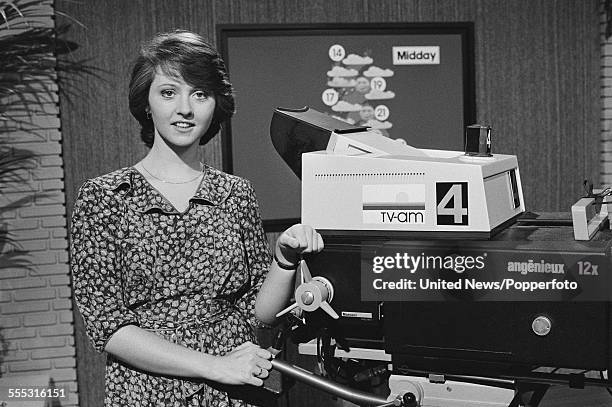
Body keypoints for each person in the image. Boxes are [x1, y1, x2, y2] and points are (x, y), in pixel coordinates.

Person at [70, 30, 323, 406]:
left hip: (235, 391)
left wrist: (283, 260)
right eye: (169, 92)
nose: (185, 108)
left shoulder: (235, 194)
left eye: (199, 94)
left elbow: (258, 313)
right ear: (146, 103)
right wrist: (214, 365)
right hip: (147, 392)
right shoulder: (104, 198)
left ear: (215, 104)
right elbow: (109, 327)